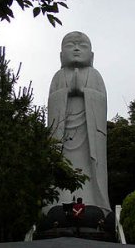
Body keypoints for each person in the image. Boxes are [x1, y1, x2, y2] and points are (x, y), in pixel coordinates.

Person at [48, 31, 111, 213]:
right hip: (63, 137)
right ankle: (56, 203)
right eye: (70, 45)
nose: (76, 48)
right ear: (61, 55)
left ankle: (95, 202)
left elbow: (102, 102)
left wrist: (83, 91)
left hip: (90, 137)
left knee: (92, 167)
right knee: (59, 168)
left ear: (91, 55)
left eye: (82, 45)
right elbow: (52, 104)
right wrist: (65, 93)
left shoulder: (95, 75)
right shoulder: (58, 77)